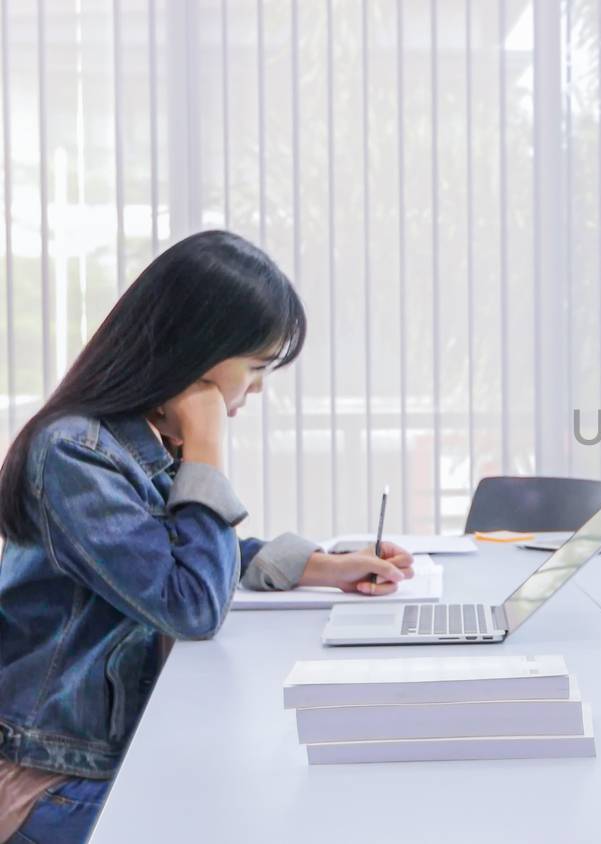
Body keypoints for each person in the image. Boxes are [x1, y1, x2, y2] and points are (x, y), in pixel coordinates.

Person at [0, 230, 416, 842]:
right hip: (50, 779)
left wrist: (324, 565)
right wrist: (208, 445)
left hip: (108, 756)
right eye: (255, 367)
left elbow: (171, 555)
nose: (259, 389)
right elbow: (191, 602)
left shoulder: (129, 443)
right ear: (196, 353)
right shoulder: (74, 456)